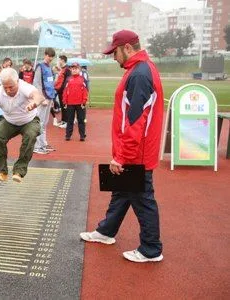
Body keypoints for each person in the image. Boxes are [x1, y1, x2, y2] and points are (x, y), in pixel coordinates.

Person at [80, 30, 164, 263]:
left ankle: (151, 249)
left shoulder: (139, 74)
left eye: (114, 52)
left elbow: (136, 122)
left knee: (142, 198)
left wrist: (122, 156)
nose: (113, 57)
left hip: (136, 153)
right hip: (133, 150)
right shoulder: (138, 70)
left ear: (127, 48)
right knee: (121, 193)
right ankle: (106, 232)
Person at [0, 68, 45, 183]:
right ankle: (2, 172)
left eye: (11, 87)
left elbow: (39, 96)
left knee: (30, 134)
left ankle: (19, 170)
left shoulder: (24, 87)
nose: (8, 90)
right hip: (10, 121)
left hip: (29, 120)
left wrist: (34, 102)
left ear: (17, 81)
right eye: (5, 87)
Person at [33, 47, 56, 154]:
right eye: (49, 56)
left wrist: (52, 99)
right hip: (43, 99)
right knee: (39, 122)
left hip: (49, 98)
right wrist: (42, 99)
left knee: (45, 123)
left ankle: (43, 143)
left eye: (52, 57)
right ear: (45, 55)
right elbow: (37, 83)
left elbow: (51, 83)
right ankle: (36, 146)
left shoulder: (49, 67)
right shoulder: (40, 66)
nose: (50, 58)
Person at [62, 62, 88, 141]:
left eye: (76, 68)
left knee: (81, 120)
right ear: (71, 70)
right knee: (70, 120)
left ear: (79, 69)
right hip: (70, 104)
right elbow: (65, 91)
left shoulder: (82, 79)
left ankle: (82, 135)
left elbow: (85, 91)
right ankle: (68, 135)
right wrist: (64, 101)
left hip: (80, 104)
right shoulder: (68, 79)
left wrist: (84, 101)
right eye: (73, 68)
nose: (74, 70)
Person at [54, 55, 71, 128]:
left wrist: (64, 89)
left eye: (59, 60)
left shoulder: (67, 69)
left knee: (65, 106)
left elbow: (67, 81)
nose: (58, 61)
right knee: (62, 106)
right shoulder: (62, 69)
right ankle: (63, 120)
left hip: (64, 91)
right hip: (60, 91)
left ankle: (67, 122)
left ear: (63, 60)